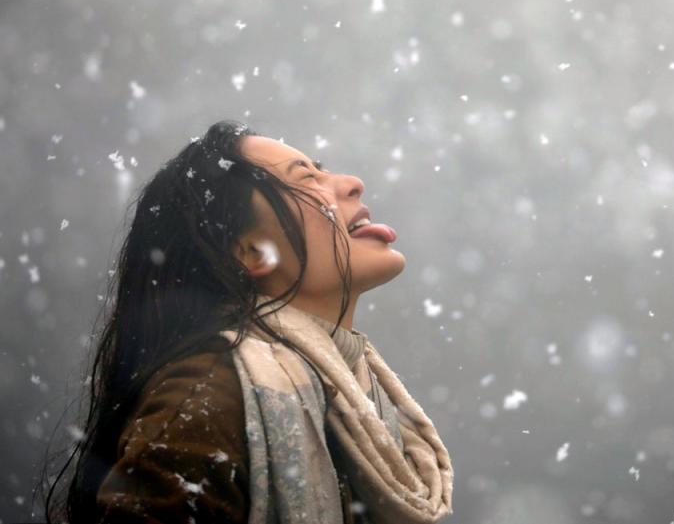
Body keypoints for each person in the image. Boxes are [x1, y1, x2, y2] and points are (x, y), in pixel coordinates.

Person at [41, 119, 454, 524]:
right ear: (253, 252)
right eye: (306, 178)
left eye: (322, 170)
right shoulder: (212, 388)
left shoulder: (356, 394)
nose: (351, 183)